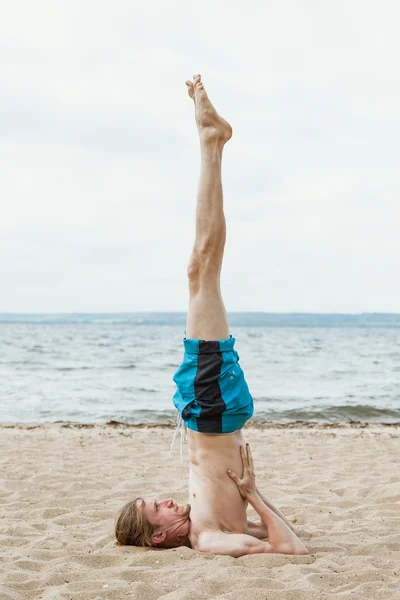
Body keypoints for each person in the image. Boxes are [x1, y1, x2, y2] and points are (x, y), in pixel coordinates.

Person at [115, 75, 309, 557]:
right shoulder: (207, 538)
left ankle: (212, 143)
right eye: (153, 509)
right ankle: (211, 143)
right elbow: (292, 550)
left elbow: (271, 535)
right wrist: (253, 495)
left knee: (201, 271)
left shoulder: (208, 522)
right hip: (212, 409)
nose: (162, 499)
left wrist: (250, 499)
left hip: (204, 410)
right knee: (201, 270)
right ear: (159, 535)